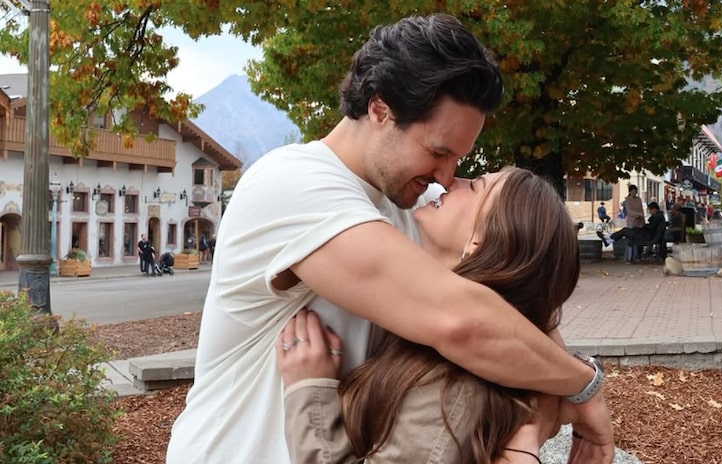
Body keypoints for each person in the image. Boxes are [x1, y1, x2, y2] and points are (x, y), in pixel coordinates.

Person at [166, 14, 613, 464]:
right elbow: (461, 320)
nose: (446, 176)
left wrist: (563, 390)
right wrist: (581, 385)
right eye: (437, 151)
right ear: (380, 109)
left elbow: (514, 298)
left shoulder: (413, 207)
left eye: (458, 159)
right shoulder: (293, 184)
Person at [278, 167, 586, 463]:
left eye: (475, 186)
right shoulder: (445, 347)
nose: (451, 181)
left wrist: (311, 393)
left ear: (478, 242)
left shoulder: (450, 390)